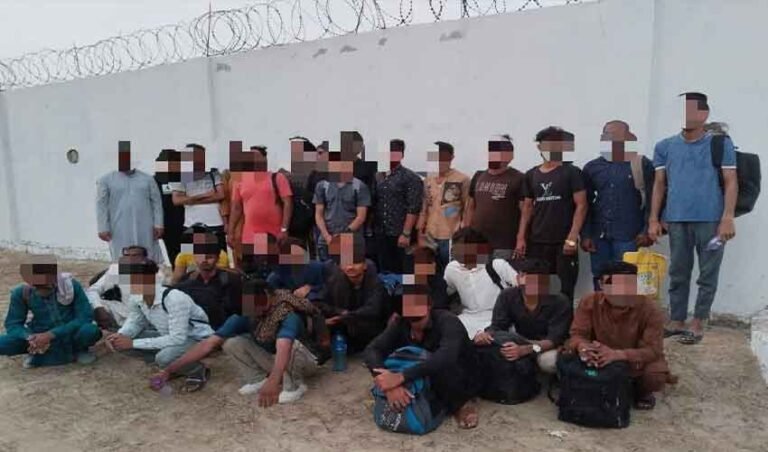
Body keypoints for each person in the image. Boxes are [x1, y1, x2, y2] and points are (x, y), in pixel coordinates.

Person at [649, 92, 738, 345]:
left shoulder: (720, 144)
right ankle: (677, 319)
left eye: (690, 110)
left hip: (711, 221)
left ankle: (699, 320)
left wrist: (728, 217)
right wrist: (654, 218)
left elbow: (731, 181)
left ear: (703, 114)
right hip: (676, 220)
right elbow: (659, 184)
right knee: (678, 271)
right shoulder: (664, 146)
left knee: (708, 273)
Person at [364, 282, 482, 429]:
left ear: (429, 306)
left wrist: (401, 377)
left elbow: (446, 357)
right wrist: (388, 384)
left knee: (440, 362)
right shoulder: (401, 322)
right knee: (396, 360)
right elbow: (372, 350)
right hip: (423, 372)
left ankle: (461, 404)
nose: (413, 319)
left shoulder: (448, 321)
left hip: (460, 377)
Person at [567, 261, 674, 410]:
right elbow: (577, 334)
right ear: (601, 284)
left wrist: (618, 355)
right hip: (598, 355)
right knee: (564, 359)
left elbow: (653, 350)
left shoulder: (651, 309)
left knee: (655, 376)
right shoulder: (589, 301)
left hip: (633, 359)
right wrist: (584, 347)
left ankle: (640, 391)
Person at [105, 257, 213, 387]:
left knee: (164, 357)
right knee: (119, 342)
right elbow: (136, 321)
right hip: (169, 336)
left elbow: (178, 338)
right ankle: (173, 367)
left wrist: (132, 343)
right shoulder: (136, 297)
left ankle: (197, 370)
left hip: (197, 339)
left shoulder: (174, 298)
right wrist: (121, 335)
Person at [582, 121, 655, 289]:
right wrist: (586, 234)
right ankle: (602, 306)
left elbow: (653, 199)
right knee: (600, 277)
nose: (612, 140)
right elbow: (585, 204)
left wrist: (646, 230)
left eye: (617, 136)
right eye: (607, 135)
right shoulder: (592, 168)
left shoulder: (641, 165)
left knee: (626, 279)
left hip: (630, 235)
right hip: (599, 236)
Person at [517, 127, 587, 301]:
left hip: (563, 242)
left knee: (565, 290)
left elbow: (582, 205)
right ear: (540, 147)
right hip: (537, 242)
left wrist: (572, 238)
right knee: (536, 289)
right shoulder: (531, 175)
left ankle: (564, 319)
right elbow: (527, 207)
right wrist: (521, 238)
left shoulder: (572, 172)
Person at [1, 255, 101, 367]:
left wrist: (51, 334)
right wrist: (30, 337)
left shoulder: (71, 286)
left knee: (90, 331)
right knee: (3, 343)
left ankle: (80, 350)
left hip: (71, 333)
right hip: (38, 335)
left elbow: (84, 317)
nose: (42, 290)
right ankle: (35, 350)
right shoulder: (21, 293)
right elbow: (13, 324)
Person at [474, 258, 572, 374]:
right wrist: (486, 335)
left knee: (547, 361)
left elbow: (553, 341)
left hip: (547, 347)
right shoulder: (508, 295)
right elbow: (497, 326)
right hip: (521, 341)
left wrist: (527, 349)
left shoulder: (559, 301)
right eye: (522, 275)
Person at [318, 233, 388, 352]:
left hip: (370, 329)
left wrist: (346, 316)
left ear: (364, 265)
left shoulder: (376, 282)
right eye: (346, 263)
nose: (350, 267)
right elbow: (322, 304)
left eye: (356, 263)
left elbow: (373, 309)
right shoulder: (334, 281)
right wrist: (340, 312)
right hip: (345, 330)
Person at [96, 141, 164, 263]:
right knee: (121, 255)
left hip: (145, 225)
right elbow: (101, 205)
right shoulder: (106, 180)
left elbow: (156, 203)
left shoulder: (147, 179)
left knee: (148, 255)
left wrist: (159, 224)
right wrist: (102, 227)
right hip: (119, 226)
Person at [444, 228, 517, 339]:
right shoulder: (452, 269)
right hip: (467, 318)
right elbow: (446, 292)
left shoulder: (497, 265)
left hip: (497, 319)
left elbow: (521, 287)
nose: (455, 252)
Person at [463, 135, 525, 259]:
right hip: (477, 243)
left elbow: (525, 212)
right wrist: (465, 233)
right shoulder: (478, 176)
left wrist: (521, 238)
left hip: (504, 245)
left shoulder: (519, 178)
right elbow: (470, 207)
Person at [417, 141, 470, 277]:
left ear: (451, 157)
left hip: (450, 236)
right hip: (430, 235)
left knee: (451, 273)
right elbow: (424, 208)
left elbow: (468, 207)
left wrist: (463, 230)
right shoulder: (428, 180)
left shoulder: (462, 179)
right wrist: (420, 232)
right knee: (429, 274)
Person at [172, 229, 243, 330]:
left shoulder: (231, 280)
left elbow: (238, 314)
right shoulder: (186, 281)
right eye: (200, 257)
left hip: (225, 330)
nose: (204, 260)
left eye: (209, 257)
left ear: (217, 258)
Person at [229, 146, 293, 252]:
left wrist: (284, 229)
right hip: (250, 235)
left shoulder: (277, 178)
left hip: (274, 235)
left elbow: (288, 203)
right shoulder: (239, 180)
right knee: (253, 261)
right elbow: (236, 208)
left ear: (264, 159)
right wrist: (231, 232)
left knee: (273, 261)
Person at [373, 139, 424, 273]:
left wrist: (406, 233)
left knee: (403, 271)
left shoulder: (411, 178)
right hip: (381, 232)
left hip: (400, 234)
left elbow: (413, 207)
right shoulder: (378, 176)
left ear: (401, 155)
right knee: (385, 272)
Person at [86, 245, 166, 330]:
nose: (130, 259)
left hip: (144, 316)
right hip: (121, 311)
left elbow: (145, 304)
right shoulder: (116, 270)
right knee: (89, 303)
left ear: (144, 259)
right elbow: (93, 290)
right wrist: (98, 308)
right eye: (127, 255)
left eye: (135, 256)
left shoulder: (155, 274)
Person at [313, 150, 371, 261]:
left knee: (349, 268)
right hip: (326, 239)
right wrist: (327, 236)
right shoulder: (322, 186)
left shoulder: (359, 186)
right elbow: (319, 214)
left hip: (351, 239)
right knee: (326, 268)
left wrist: (341, 236)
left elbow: (361, 217)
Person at [171, 144, 227, 252]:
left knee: (219, 256)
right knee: (193, 257)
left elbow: (220, 195)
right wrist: (205, 195)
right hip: (191, 224)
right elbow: (176, 200)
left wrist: (190, 199)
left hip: (215, 224)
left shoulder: (213, 173)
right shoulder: (180, 177)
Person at [154, 149, 186, 267]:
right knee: (174, 255)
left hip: (186, 223)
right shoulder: (155, 181)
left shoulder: (185, 178)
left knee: (189, 254)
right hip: (168, 224)